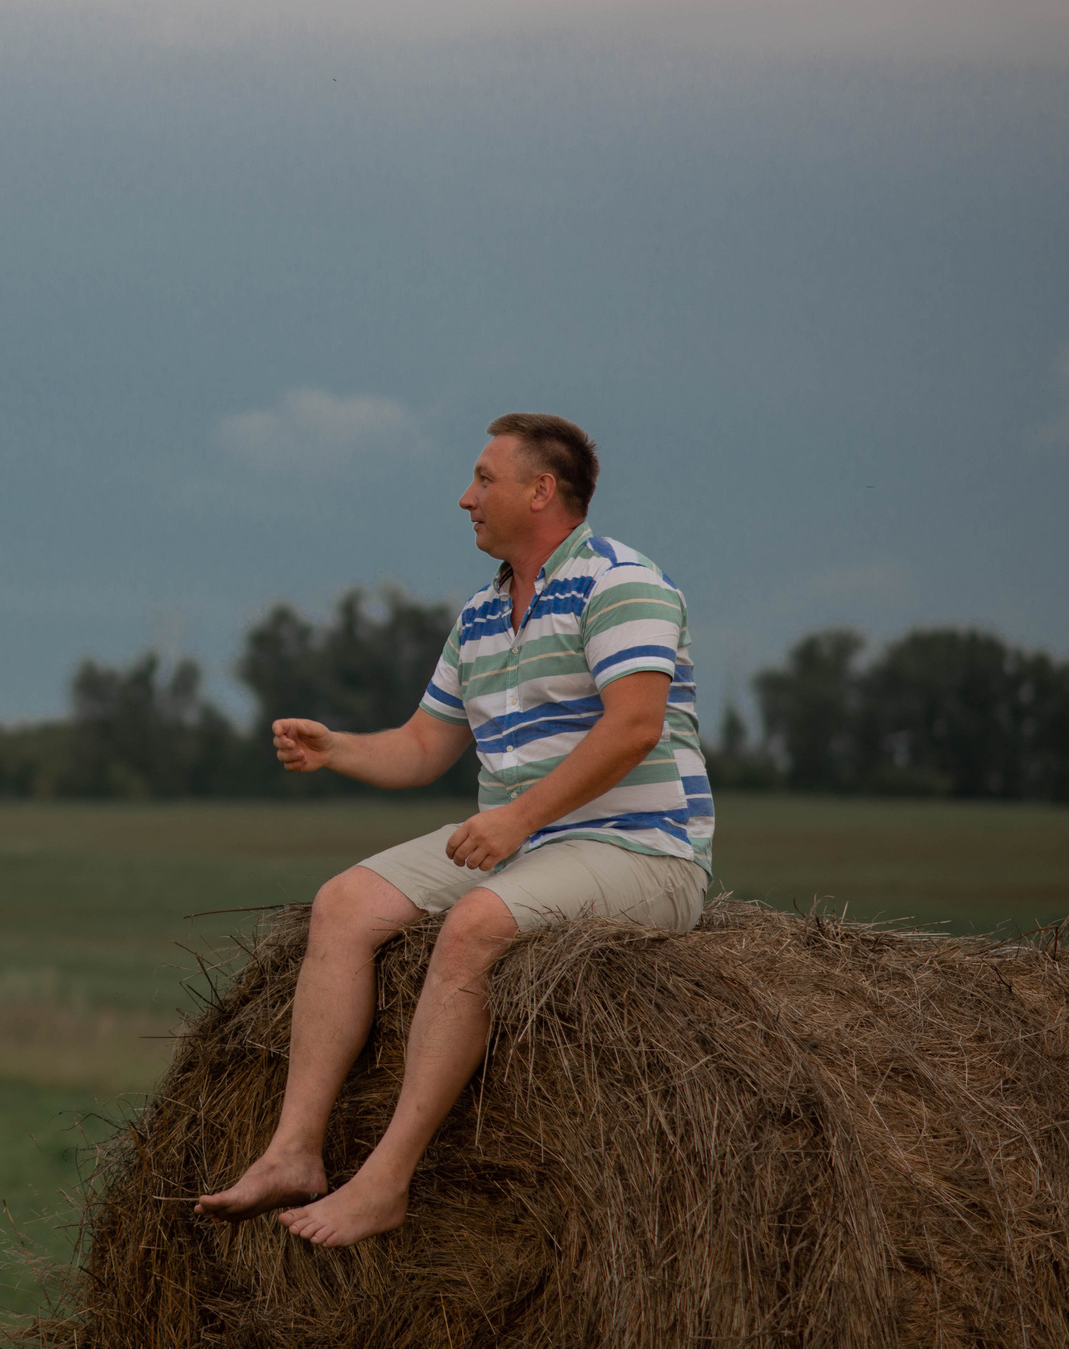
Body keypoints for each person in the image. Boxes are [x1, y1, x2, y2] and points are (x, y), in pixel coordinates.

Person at [193, 412, 710, 1246]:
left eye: (483, 479)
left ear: (541, 490)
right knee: (344, 902)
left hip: (640, 850)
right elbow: (425, 745)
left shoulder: (624, 584)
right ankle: (293, 1151)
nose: (464, 497)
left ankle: (385, 1182)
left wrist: (516, 818)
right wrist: (339, 747)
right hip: (524, 842)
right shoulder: (479, 614)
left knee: (471, 927)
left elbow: (635, 727)